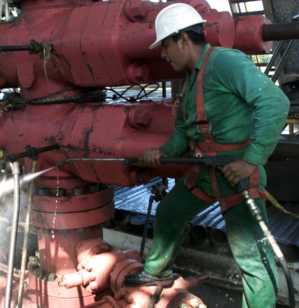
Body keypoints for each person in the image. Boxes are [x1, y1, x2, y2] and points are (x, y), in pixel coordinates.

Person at [123, 4, 289, 308]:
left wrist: (251, 160)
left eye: (166, 45)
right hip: (203, 172)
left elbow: (275, 103)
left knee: (253, 259)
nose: (163, 54)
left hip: (235, 174)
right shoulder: (188, 82)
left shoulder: (226, 63)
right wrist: (160, 154)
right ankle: (157, 273)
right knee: (169, 213)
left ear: (184, 39)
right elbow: (183, 135)